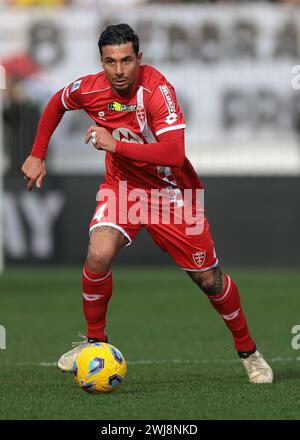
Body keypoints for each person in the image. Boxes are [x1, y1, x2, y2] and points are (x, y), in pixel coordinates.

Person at [21, 23, 273, 384]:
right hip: (123, 190)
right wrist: (37, 154)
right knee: (99, 253)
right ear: (101, 61)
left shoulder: (157, 90)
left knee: (209, 280)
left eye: (126, 60)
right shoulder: (90, 88)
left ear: (139, 58)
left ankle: (249, 352)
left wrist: (115, 145)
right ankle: (95, 344)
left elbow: (174, 153)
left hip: (173, 196)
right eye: (110, 62)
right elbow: (56, 103)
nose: (119, 70)